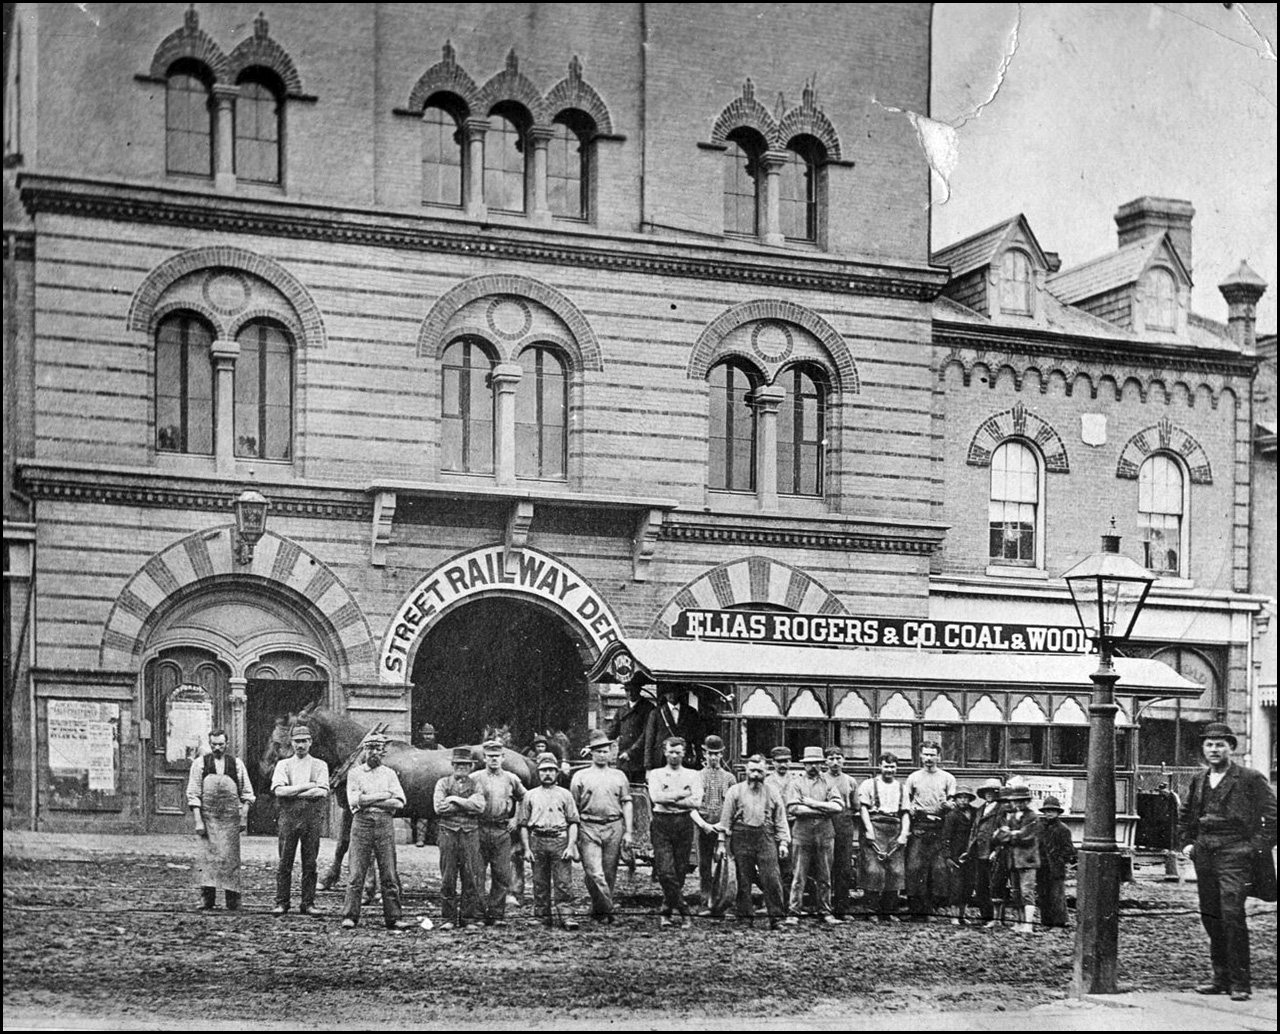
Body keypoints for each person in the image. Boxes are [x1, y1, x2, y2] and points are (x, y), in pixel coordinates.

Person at [1178, 722, 1278, 1002]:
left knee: (1232, 914)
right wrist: (1187, 842)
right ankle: (1219, 978)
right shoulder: (1199, 780)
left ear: (1231, 748)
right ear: (1203, 748)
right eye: (1209, 744)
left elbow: (1273, 819)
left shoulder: (1250, 778)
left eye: (1220, 744)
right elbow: (1186, 814)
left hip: (1236, 853)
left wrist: (1253, 849)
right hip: (1204, 854)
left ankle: (1240, 982)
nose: (1214, 749)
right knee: (1210, 914)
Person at [341, 735, 414, 930]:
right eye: (370, 748)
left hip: (384, 823)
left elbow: (399, 801)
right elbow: (355, 801)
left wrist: (369, 799)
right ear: (364, 750)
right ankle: (350, 915)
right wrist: (383, 796)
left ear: (383, 751)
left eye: (377, 748)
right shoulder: (354, 773)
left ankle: (394, 917)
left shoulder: (389, 774)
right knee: (357, 872)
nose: (374, 752)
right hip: (361, 822)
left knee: (389, 872)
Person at [716, 754, 790, 929]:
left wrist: (784, 842)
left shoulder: (772, 792)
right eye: (753, 770)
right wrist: (721, 843)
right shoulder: (735, 791)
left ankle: (777, 918)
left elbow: (780, 819)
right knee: (743, 878)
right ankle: (745, 917)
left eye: (760, 771)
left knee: (771, 878)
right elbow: (725, 820)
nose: (756, 774)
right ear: (746, 771)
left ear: (766, 772)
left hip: (766, 837)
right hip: (741, 837)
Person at [186, 729, 255, 911]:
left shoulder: (237, 764)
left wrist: (243, 817)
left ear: (227, 744)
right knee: (207, 858)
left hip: (230, 819)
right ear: (209, 744)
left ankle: (233, 900)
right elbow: (193, 794)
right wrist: (198, 821)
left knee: (230, 859)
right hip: (208, 818)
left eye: (221, 744)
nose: (217, 748)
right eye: (214, 744)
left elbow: (247, 793)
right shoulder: (200, 764)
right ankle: (207, 899)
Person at [570, 731, 634, 923]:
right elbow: (573, 808)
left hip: (614, 825)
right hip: (588, 826)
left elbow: (627, 802)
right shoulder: (580, 776)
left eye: (605, 751)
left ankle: (598, 910)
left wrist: (628, 832)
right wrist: (573, 838)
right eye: (598, 751)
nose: (602, 755)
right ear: (591, 753)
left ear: (610, 753)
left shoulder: (619, 776)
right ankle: (609, 910)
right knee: (594, 872)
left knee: (608, 872)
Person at [270, 724, 330, 916]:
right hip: (288, 818)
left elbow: (322, 791)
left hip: (311, 818)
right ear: (291, 743)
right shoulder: (284, 765)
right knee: (284, 861)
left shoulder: (320, 765)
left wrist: (293, 791)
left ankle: (308, 903)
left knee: (310, 862)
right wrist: (307, 786)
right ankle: (282, 902)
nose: (300, 745)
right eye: (297, 741)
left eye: (304, 741)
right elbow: (279, 790)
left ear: (310, 742)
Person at [646, 735, 703, 927]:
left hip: (684, 823)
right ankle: (684, 909)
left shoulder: (693, 774)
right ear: (665, 752)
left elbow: (696, 802)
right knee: (664, 870)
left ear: (684, 753)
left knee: (680, 870)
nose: (674, 756)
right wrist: (682, 794)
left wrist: (669, 798)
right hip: (661, 822)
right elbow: (655, 797)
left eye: (678, 752)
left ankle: (666, 911)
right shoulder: (655, 774)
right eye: (671, 752)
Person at [520, 752, 581, 930]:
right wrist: (526, 848)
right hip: (537, 839)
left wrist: (571, 845)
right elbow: (523, 824)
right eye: (544, 770)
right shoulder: (529, 795)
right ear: (538, 773)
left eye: (551, 771)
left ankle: (567, 916)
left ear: (557, 773)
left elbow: (573, 822)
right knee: (540, 882)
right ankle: (541, 916)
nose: (548, 774)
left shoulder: (565, 794)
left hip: (559, 840)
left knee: (563, 882)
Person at [784, 746, 843, 926]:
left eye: (817, 763)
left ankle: (825, 911)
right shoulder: (796, 783)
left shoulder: (828, 783)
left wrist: (811, 803)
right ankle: (794, 912)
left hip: (825, 834)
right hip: (802, 834)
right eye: (809, 763)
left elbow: (838, 806)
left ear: (821, 764)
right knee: (798, 876)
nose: (813, 767)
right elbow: (794, 808)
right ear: (804, 765)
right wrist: (822, 809)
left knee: (825, 875)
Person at [472, 739, 527, 927]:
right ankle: (478, 915)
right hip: (480, 828)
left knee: (502, 873)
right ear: (484, 758)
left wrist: (515, 819)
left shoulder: (511, 778)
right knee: (477, 873)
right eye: (490, 756)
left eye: (497, 756)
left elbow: (523, 798)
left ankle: (496, 914)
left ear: (503, 758)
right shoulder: (475, 778)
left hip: (502, 829)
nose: (493, 760)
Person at [433, 745, 486, 930]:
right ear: (453, 765)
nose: (461, 768)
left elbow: (480, 807)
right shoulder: (443, 783)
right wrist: (467, 805)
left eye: (465, 765)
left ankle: (468, 918)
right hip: (448, 833)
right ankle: (448, 918)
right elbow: (439, 808)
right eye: (458, 764)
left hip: (470, 834)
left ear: (471, 767)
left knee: (470, 876)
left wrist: (454, 800)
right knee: (448, 877)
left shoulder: (476, 784)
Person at [904, 740, 957, 920]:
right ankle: (915, 910)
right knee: (915, 867)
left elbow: (953, 802)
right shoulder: (913, 777)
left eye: (932, 754)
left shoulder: (947, 778)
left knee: (937, 870)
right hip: (919, 826)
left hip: (939, 827)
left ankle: (931, 909)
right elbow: (907, 802)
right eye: (925, 754)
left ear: (939, 756)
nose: (928, 758)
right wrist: (912, 809)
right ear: (920, 755)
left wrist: (948, 805)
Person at [858, 751, 909, 920]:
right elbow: (863, 809)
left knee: (895, 871)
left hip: (894, 828)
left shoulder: (902, 788)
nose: (889, 770)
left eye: (892, 767)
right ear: (880, 766)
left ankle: (890, 911)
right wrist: (869, 830)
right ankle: (872, 910)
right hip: (874, 826)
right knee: (873, 870)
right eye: (886, 766)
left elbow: (905, 813)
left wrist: (903, 834)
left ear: (897, 768)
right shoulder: (868, 785)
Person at [693, 734, 737, 917]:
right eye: (710, 753)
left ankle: (723, 903)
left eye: (717, 754)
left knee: (723, 863)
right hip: (703, 824)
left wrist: (722, 825)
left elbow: (732, 806)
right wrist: (703, 824)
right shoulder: (697, 776)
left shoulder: (729, 777)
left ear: (722, 754)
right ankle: (705, 901)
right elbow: (692, 804)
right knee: (704, 864)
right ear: (704, 753)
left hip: (723, 825)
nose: (713, 757)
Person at [991, 783, 1039, 934]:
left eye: (1021, 801)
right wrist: (1010, 833)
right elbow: (1000, 836)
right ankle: (1019, 922)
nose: (1017, 804)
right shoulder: (1012, 817)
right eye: (1015, 801)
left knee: (1027, 891)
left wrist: (1010, 834)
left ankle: (1028, 924)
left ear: (1027, 801)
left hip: (1027, 859)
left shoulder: (1033, 817)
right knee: (1016, 892)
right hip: (1013, 859)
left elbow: (1026, 836)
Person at [962, 778, 1004, 928]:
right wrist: (968, 850)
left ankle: (996, 918)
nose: (989, 794)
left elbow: (1003, 832)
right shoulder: (980, 809)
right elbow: (974, 831)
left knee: (994, 886)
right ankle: (985, 916)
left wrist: (997, 850)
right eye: (987, 792)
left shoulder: (1001, 809)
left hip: (992, 853)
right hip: (978, 852)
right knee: (980, 886)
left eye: (993, 792)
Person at [825, 747, 859, 919]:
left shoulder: (850, 781)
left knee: (843, 867)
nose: (835, 762)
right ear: (826, 761)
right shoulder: (821, 780)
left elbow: (855, 806)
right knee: (824, 866)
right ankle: (824, 907)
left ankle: (842, 909)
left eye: (838, 758)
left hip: (844, 824)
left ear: (844, 760)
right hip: (825, 822)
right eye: (831, 758)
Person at [1035, 796, 1075, 931]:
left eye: (1052, 810)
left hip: (1055, 867)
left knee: (1056, 894)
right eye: (1046, 811)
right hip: (1042, 866)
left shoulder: (1063, 829)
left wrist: (1059, 860)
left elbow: (1069, 850)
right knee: (1043, 894)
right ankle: (1046, 922)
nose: (1049, 813)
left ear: (1058, 812)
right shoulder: (1040, 828)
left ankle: (1060, 922)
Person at [942, 786, 977, 925]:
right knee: (956, 886)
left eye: (966, 798)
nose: (963, 801)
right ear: (955, 800)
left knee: (968, 885)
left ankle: (963, 915)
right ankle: (954, 916)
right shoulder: (952, 815)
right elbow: (946, 837)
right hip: (956, 855)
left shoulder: (975, 813)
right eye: (960, 798)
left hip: (971, 854)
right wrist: (948, 856)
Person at [643, 686, 701, 770]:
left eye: (675, 692)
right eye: (669, 692)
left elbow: (697, 738)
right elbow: (649, 740)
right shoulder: (656, 713)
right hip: (662, 759)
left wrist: (699, 759)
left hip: (684, 758)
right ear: (665, 695)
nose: (672, 695)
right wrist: (648, 765)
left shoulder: (690, 712)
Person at [609, 683, 655, 783]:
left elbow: (647, 734)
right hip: (623, 759)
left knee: (638, 790)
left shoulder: (648, 708)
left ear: (639, 690)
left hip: (639, 759)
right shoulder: (622, 710)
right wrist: (595, 745)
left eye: (633, 690)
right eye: (627, 690)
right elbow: (612, 732)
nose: (630, 693)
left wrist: (631, 752)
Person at [412, 722, 441, 847]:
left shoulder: (440, 748)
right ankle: (420, 839)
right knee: (422, 813)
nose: (428, 737)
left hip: (436, 781)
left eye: (430, 735)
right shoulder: (416, 749)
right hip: (422, 782)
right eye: (426, 735)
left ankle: (436, 839)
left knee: (437, 814)